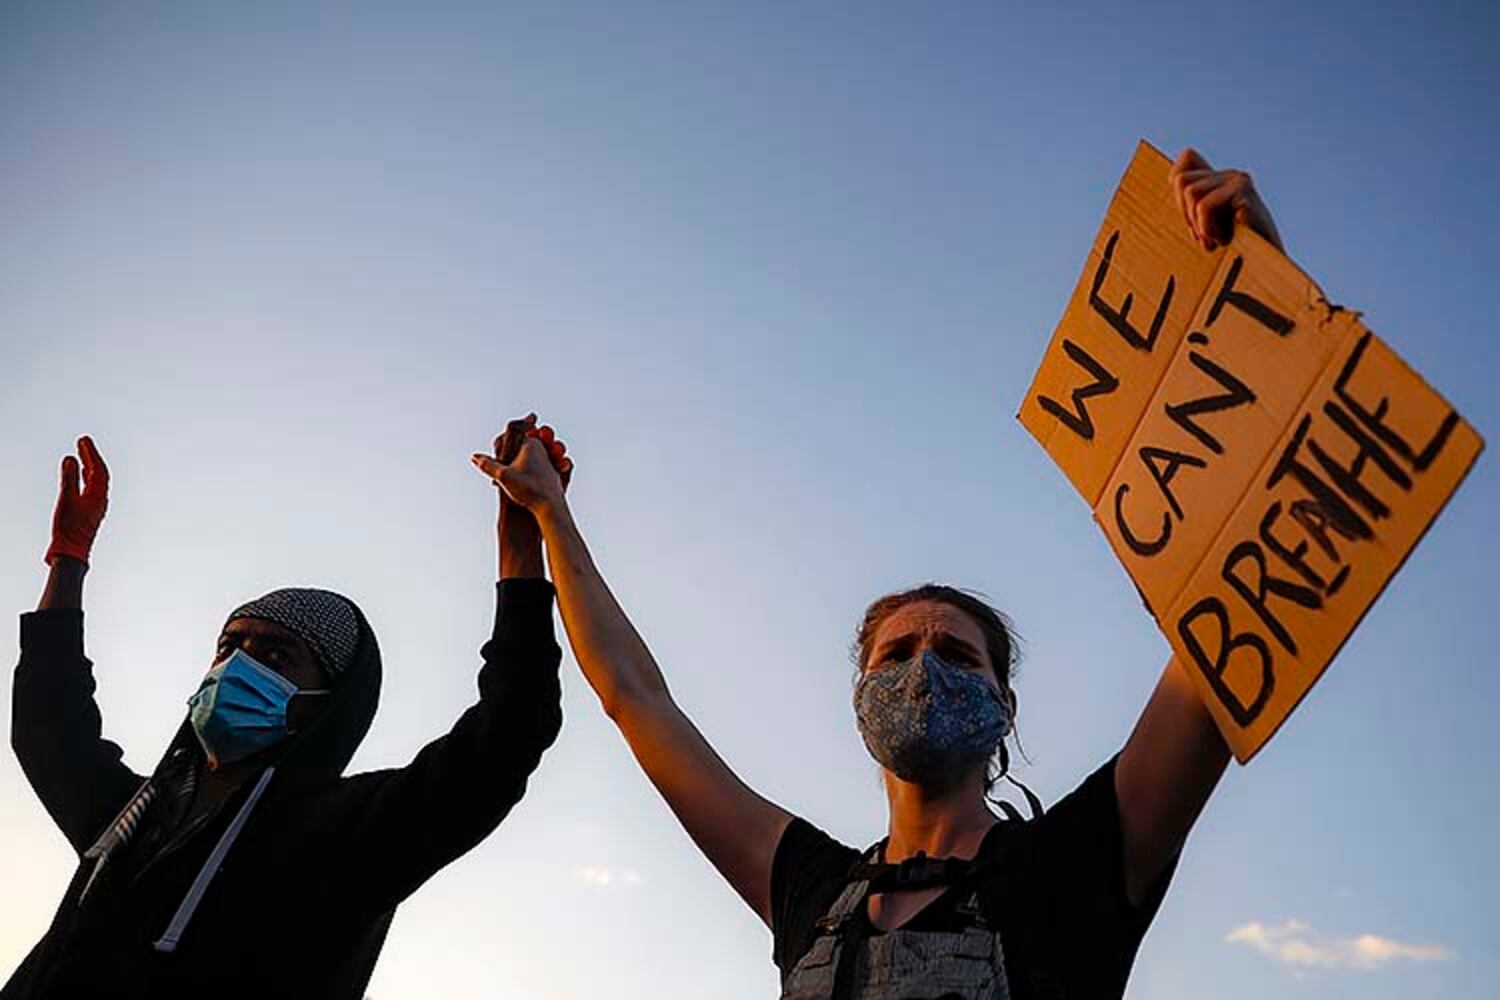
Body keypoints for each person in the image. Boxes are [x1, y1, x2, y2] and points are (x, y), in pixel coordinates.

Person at [472, 150, 1282, 999]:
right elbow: (635, 697)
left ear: (1004, 707)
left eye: (957, 654)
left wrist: (1264, 305)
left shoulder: (1080, 859)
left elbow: (1225, 612)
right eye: (895, 654)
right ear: (859, 698)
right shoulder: (806, 887)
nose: (923, 668)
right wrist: (550, 517)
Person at [7, 416, 572, 999]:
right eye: (230, 646)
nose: (238, 667)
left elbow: (507, 736)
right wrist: (68, 558)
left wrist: (521, 541)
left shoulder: (350, 837)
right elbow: (49, 725)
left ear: (326, 703)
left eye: (277, 654)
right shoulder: (132, 816)